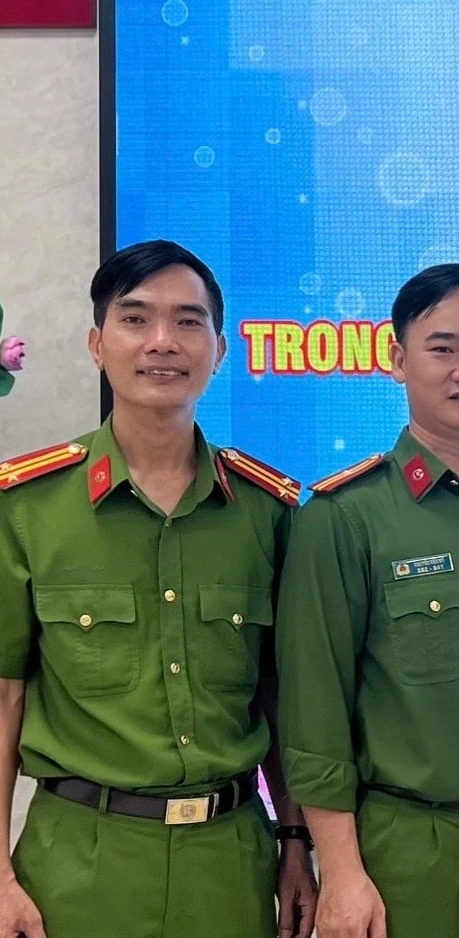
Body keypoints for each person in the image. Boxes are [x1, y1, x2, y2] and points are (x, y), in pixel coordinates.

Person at [0, 240, 316, 938]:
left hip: (231, 864)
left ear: (220, 350)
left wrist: (295, 843)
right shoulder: (26, 507)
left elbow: (281, 699)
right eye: (136, 319)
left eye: (188, 321)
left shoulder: (266, 512)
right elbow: (4, 697)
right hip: (78, 862)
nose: (162, 342)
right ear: (97, 344)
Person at [278, 263, 459, 938]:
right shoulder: (344, 517)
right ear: (398, 360)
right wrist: (340, 871)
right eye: (443, 348)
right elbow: (314, 712)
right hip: (408, 851)